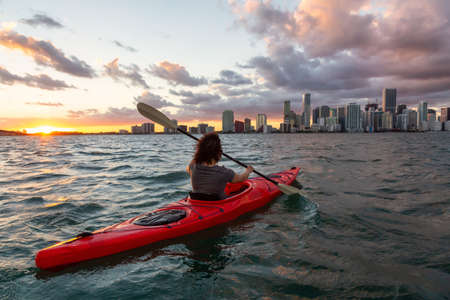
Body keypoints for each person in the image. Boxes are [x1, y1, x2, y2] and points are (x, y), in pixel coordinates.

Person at [186, 132, 253, 200]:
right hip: (217, 203)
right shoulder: (224, 172)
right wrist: (248, 171)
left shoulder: (192, 166)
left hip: (196, 200)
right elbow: (241, 178)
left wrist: (202, 148)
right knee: (241, 189)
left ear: (200, 150)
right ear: (218, 153)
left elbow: (191, 166)